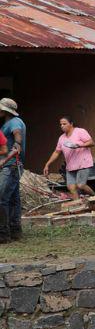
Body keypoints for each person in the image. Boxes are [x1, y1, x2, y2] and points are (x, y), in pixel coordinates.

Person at [42, 116, 95, 199]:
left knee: (81, 185)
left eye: (64, 124)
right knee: (71, 188)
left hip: (83, 163)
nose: (62, 126)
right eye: (61, 124)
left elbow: (91, 143)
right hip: (70, 166)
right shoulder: (61, 138)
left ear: (71, 124)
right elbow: (57, 152)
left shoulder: (80, 131)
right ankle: (78, 205)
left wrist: (79, 145)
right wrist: (47, 164)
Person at [0, 97, 23, 242]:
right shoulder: (13, 122)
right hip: (14, 166)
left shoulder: (14, 123)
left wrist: (4, 161)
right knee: (14, 200)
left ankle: (3, 234)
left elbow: (17, 144)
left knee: (1, 199)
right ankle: (16, 232)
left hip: (10, 166)